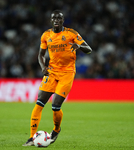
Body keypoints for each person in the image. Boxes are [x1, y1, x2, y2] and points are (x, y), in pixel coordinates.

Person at [22, 10, 92, 146]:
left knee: (55, 106)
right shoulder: (46, 35)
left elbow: (89, 49)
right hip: (52, 72)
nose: (56, 20)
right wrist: (43, 66)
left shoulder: (71, 33)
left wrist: (79, 46)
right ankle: (31, 137)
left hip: (67, 73)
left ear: (62, 20)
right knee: (39, 103)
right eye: (54, 18)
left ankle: (56, 129)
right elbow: (41, 55)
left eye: (59, 18)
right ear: (50, 20)